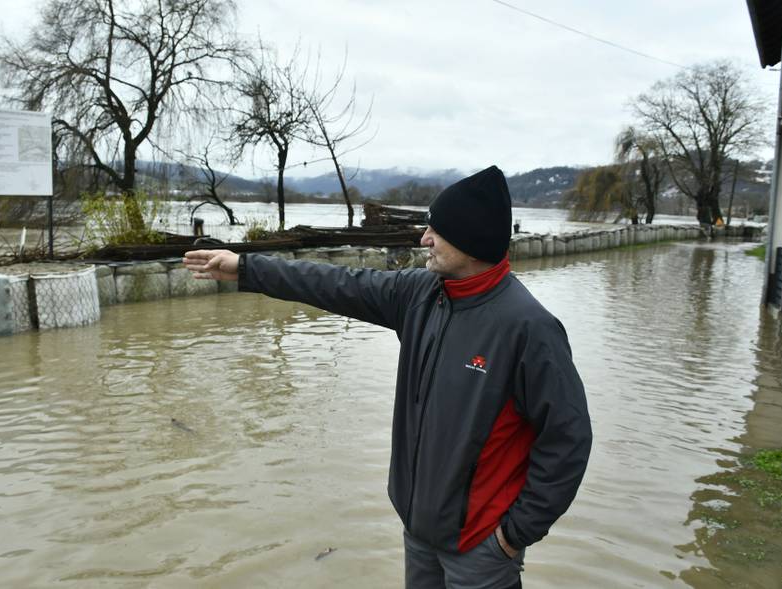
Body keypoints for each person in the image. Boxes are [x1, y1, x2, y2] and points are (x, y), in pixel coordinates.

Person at [183, 165, 592, 589]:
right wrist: (246, 269)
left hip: (481, 548)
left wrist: (514, 534)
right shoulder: (420, 295)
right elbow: (335, 283)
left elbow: (568, 440)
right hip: (419, 533)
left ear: (471, 240)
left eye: (437, 230)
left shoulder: (528, 328)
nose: (424, 239)